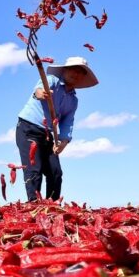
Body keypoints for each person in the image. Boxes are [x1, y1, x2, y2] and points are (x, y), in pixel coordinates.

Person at [16, 56, 99, 201]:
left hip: (48, 134)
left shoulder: (73, 100)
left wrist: (63, 142)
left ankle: (51, 207)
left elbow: (67, 122)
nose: (76, 74)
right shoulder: (52, 81)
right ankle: (34, 207)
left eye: (80, 72)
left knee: (55, 172)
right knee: (34, 169)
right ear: (65, 70)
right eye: (73, 69)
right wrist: (41, 94)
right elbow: (38, 89)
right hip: (29, 128)